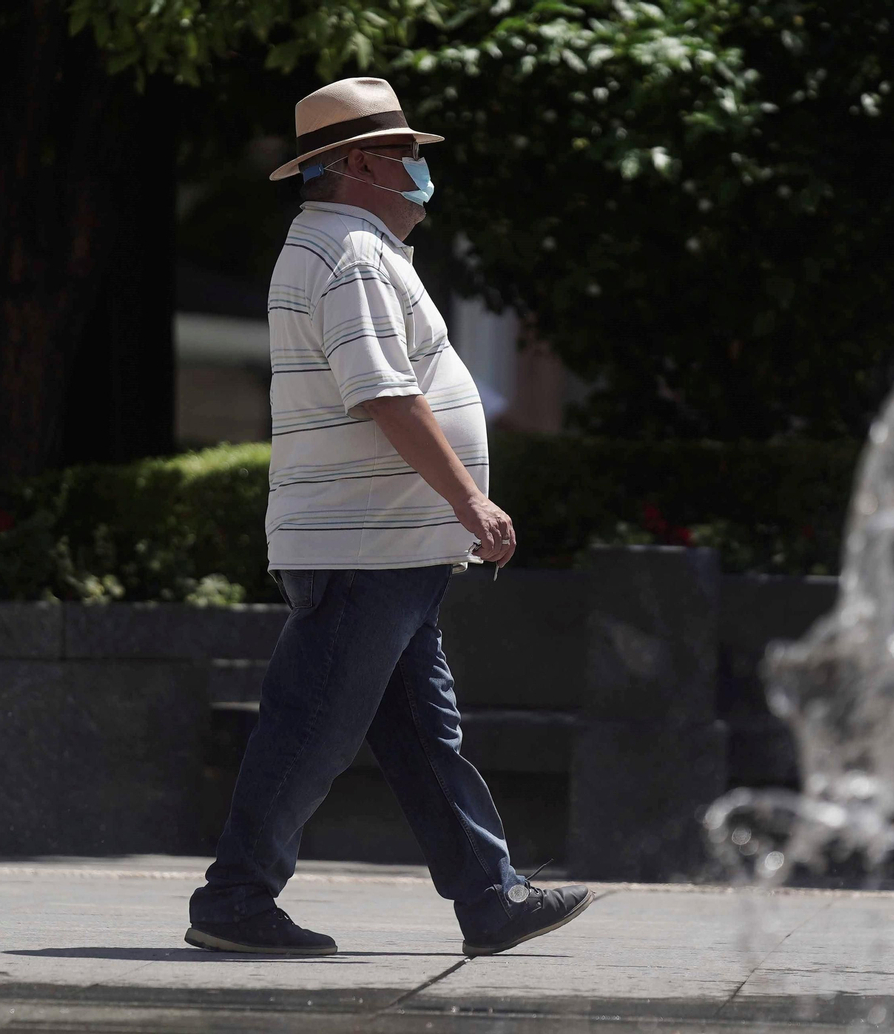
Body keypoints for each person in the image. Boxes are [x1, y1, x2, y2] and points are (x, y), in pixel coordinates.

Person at [186, 77, 592, 957]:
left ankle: (491, 897)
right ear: (362, 164)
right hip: (363, 543)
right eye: (405, 154)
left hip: (383, 545)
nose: (418, 169)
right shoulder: (351, 254)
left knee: (421, 736)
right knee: (311, 727)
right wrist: (470, 499)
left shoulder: (349, 247)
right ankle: (234, 900)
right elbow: (386, 395)